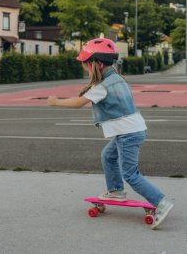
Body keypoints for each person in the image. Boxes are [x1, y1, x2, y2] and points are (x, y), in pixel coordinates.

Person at [47, 37, 173, 229]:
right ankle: (115, 191)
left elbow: (77, 103)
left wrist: (55, 102)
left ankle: (161, 202)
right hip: (131, 131)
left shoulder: (102, 87)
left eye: (86, 64)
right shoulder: (116, 77)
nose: (85, 67)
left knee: (130, 174)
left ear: (95, 63)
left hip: (128, 134)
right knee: (108, 155)